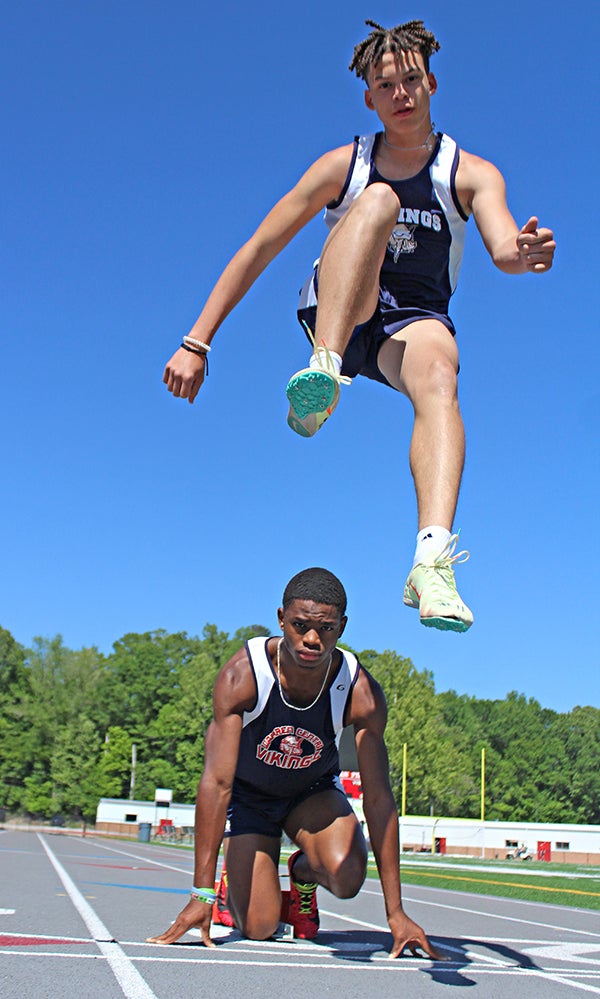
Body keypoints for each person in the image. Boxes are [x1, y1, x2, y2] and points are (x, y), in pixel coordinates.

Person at [162, 20, 555, 633]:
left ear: (430, 84)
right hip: (343, 309)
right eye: (384, 85)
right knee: (377, 201)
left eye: (409, 82)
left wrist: (522, 255)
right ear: (368, 97)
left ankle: (431, 560)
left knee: (440, 371)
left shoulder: (470, 172)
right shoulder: (344, 165)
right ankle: (324, 370)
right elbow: (259, 248)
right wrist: (197, 340)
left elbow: (503, 245)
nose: (400, 95)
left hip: (412, 320)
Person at [147, 567, 442, 959]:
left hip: (310, 795)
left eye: (326, 628)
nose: (311, 639)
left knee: (348, 875)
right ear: (281, 619)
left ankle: (303, 874)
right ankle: (224, 890)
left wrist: (396, 912)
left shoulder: (360, 691)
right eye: (300, 624)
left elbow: (379, 799)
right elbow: (216, 783)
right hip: (250, 800)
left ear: (342, 627)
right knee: (259, 927)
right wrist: (198, 892)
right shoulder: (243, 676)